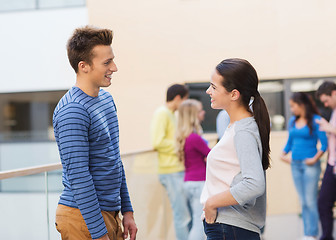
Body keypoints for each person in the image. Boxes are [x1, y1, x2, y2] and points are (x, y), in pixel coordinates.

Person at [53, 26, 137, 240]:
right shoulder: (72, 110)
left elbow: (114, 160)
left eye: (112, 60)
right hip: (81, 218)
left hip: (109, 212)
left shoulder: (106, 100)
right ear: (84, 66)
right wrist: (99, 234)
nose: (114, 68)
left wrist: (127, 210)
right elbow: (79, 176)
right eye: (107, 63)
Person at [200, 58, 270, 240]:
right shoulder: (237, 127)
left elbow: (254, 183)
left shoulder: (243, 130)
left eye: (214, 87)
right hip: (230, 228)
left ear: (234, 94)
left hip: (231, 228)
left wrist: (211, 203)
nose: (208, 91)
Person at [280, 92, 328, 240]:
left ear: (302, 105)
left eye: (293, 106)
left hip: (310, 166)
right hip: (295, 165)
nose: (292, 109)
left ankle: (311, 234)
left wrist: (314, 159)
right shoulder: (293, 121)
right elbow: (290, 142)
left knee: (310, 200)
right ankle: (307, 233)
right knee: (303, 201)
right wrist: (283, 154)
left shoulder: (316, 120)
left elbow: (324, 145)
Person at [150, 84, 190, 240]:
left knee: (185, 214)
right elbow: (157, 142)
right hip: (170, 171)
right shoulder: (162, 113)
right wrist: (180, 147)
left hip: (176, 169)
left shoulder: (172, 114)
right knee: (182, 216)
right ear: (178, 98)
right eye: (185, 100)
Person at [176, 99, 211, 240]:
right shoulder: (194, 138)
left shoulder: (186, 137)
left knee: (196, 220)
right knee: (198, 222)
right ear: (193, 115)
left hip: (190, 182)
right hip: (199, 183)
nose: (203, 113)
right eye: (200, 110)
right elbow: (211, 155)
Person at [315, 81, 336, 240]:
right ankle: (327, 237)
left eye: (326, 100)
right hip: (332, 165)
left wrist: (329, 128)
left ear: (334, 93)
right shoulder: (333, 112)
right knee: (323, 202)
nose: (325, 104)